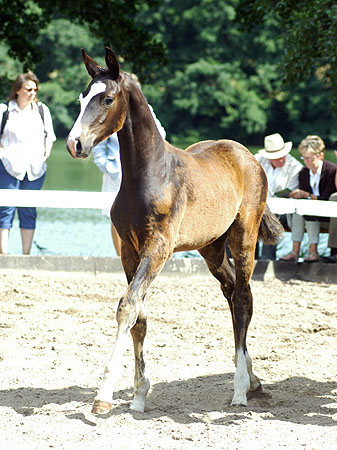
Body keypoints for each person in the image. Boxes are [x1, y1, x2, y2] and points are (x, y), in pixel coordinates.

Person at [92, 79, 166, 256]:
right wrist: (111, 169)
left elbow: (161, 134)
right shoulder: (111, 113)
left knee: (144, 215)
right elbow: (99, 149)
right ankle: (120, 256)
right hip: (116, 173)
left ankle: (141, 255)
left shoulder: (146, 110)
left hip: (141, 175)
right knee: (116, 217)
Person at [0, 71, 56, 255]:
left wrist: (45, 154)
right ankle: (4, 253)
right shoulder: (5, 110)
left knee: (28, 210)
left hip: (35, 168)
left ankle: (26, 254)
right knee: (6, 208)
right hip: (8, 166)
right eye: (28, 89)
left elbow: (50, 137)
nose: (32, 92)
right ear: (18, 90)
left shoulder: (42, 110)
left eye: (35, 89)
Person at [281, 135, 337, 262]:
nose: (306, 162)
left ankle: (313, 251)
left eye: (309, 158)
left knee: (309, 212)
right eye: (304, 158)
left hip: (328, 214)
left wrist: (306, 195)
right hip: (310, 211)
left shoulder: (331, 171)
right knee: (299, 213)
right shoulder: (303, 173)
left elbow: (327, 198)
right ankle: (295, 251)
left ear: (320, 155)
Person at [255, 133, 303, 259]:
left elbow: (291, 191)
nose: (281, 160)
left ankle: (267, 257)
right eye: (276, 158)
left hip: (282, 210)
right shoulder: (258, 161)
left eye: (283, 156)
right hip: (257, 205)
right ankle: (243, 257)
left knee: (270, 217)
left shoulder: (295, 167)